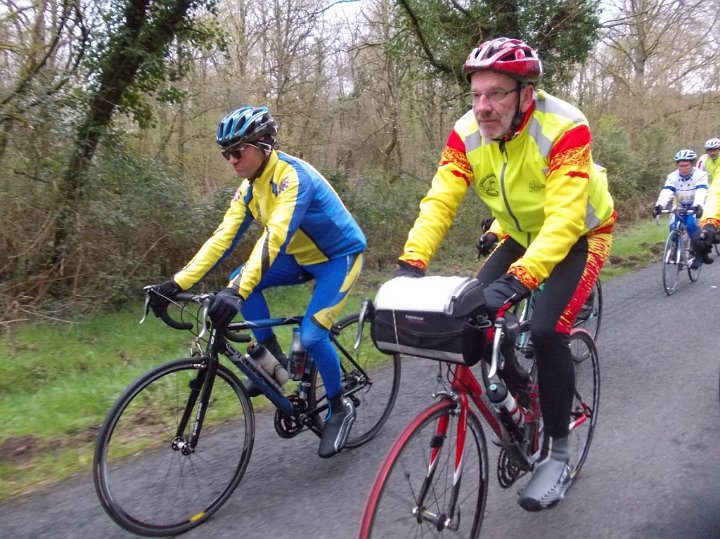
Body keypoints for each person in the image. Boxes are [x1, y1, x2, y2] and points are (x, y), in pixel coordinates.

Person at [394, 37, 615, 511]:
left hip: (580, 234)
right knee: (473, 311)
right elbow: (440, 201)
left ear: (525, 94)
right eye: (476, 94)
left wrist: (519, 280)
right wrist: (410, 265)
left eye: (496, 93)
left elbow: (564, 219)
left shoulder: (565, 126)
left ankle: (557, 454)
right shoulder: (467, 132)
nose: (483, 107)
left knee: (547, 330)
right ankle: (522, 395)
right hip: (518, 234)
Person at [148, 106, 367, 458]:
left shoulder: (293, 178)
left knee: (312, 335)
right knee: (239, 278)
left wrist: (236, 293)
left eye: (237, 151)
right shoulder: (249, 189)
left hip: (339, 258)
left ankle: (338, 408)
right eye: (226, 154)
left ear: (263, 145)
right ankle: (272, 359)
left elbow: (275, 237)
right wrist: (176, 283)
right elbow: (222, 238)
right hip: (301, 257)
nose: (232, 160)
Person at [652, 149, 710, 269]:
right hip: (680, 206)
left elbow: (701, 191)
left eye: (686, 165)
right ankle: (678, 251)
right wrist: (659, 206)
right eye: (680, 166)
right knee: (673, 226)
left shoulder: (700, 175)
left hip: (695, 205)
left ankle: (698, 253)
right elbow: (667, 192)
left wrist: (698, 206)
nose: (683, 168)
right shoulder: (672, 176)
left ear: (692, 164)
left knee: (691, 226)